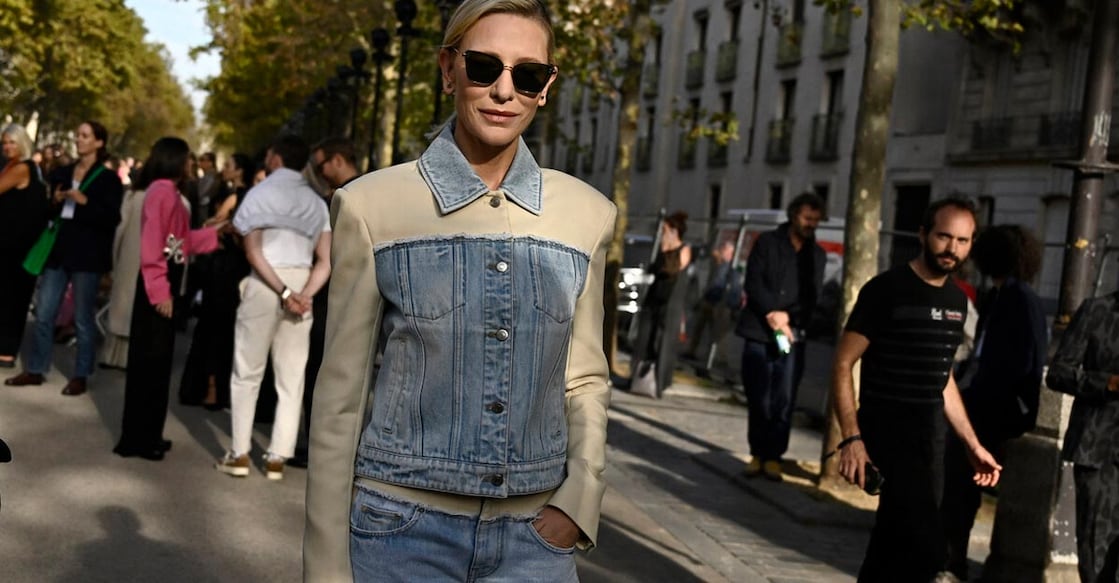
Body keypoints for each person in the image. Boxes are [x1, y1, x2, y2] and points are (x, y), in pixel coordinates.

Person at [304, 0, 616, 580]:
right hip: (398, 535)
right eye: (484, 66)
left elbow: (585, 379)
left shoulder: (587, 215)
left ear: (545, 88)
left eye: (527, 74)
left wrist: (580, 499)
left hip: (536, 544)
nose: (505, 91)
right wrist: (325, 567)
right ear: (448, 70)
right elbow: (340, 397)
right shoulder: (371, 206)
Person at [831, 197, 1002, 582]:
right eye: (944, 236)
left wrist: (972, 444)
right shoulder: (885, 290)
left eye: (962, 240)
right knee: (927, 548)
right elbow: (842, 363)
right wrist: (852, 439)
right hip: (887, 432)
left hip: (931, 440)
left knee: (891, 547)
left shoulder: (958, 302)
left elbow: (942, 377)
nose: (952, 248)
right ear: (923, 234)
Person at [213, 135, 331, 480]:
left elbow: (253, 252)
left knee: (247, 371)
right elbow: (326, 260)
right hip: (302, 281)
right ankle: (278, 455)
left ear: (276, 158)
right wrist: (304, 294)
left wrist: (283, 291)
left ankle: (239, 453)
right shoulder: (316, 202)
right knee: (291, 376)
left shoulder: (259, 194)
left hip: (265, 285)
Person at [941, 224, 1047, 580]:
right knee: (958, 485)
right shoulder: (997, 296)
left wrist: (1021, 410)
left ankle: (953, 560)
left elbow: (1028, 360)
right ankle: (950, 557)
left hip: (994, 407)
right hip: (980, 401)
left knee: (964, 484)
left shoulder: (1020, 299)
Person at [113, 137, 223, 461]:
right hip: (158, 285)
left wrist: (215, 234)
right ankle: (138, 439)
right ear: (174, 159)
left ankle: (149, 435)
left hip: (166, 281)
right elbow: (153, 246)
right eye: (188, 159)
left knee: (157, 366)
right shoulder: (161, 192)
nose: (191, 165)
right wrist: (161, 291)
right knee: (149, 364)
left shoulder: (170, 192)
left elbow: (180, 242)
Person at [5, 121, 123, 396]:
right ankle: (36, 368)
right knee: (44, 312)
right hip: (59, 251)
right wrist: (55, 201)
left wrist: (85, 203)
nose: (79, 140)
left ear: (99, 142)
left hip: (87, 256)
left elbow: (111, 218)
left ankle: (81, 374)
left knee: (82, 318)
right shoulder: (63, 172)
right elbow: (45, 212)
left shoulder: (108, 180)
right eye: (77, 135)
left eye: (85, 136)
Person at [735, 192, 825, 481]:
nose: (811, 224)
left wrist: (788, 317)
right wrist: (771, 313)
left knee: (784, 399)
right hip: (759, 332)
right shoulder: (767, 243)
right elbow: (753, 281)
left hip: (791, 334)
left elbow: (813, 296)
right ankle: (757, 453)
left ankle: (774, 456)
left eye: (816, 219)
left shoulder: (817, 255)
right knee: (758, 396)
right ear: (794, 215)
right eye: (807, 218)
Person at [286, 137, 361, 469]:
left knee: (321, 374)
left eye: (321, 165)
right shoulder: (362, 193)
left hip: (332, 299)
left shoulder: (345, 199)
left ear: (338, 160)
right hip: (342, 299)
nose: (318, 172)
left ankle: (320, 446)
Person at [1046, 292, 1119, 583]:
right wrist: (1108, 383)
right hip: (1098, 451)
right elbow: (1058, 373)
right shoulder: (1097, 310)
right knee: (1097, 557)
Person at [179, 153, 254, 410]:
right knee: (220, 329)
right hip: (228, 267)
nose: (225, 168)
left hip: (226, 269)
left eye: (230, 165)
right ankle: (215, 387)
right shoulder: (235, 195)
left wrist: (217, 225)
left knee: (215, 328)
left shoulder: (238, 196)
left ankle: (211, 387)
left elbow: (212, 223)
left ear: (240, 170)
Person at [0, 124, 49, 369]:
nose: (7, 146)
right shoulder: (28, 168)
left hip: (14, 247)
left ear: (22, 143)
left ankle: (6, 351)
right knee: (12, 297)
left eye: (12, 142)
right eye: (4, 142)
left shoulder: (21, 168)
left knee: (11, 298)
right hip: (18, 245)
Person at [630, 211, 691, 396]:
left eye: (665, 230)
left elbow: (672, 270)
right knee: (645, 336)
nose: (662, 234)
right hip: (655, 298)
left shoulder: (684, 250)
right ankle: (638, 376)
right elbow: (655, 269)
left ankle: (659, 381)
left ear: (674, 231)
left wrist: (667, 248)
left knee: (664, 340)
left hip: (671, 301)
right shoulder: (663, 249)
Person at [99, 170, 148, 369]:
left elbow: (120, 230)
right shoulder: (173, 198)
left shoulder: (133, 196)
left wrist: (113, 260)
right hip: (146, 260)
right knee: (133, 308)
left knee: (122, 305)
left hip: (128, 255)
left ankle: (111, 355)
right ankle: (128, 356)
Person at [683, 239, 740, 367]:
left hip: (719, 304)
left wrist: (728, 305)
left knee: (717, 333)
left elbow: (729, 288)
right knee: (699, 327)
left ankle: (717, 358)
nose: (721, 252)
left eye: (724, 250)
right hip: (708, 301)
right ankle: (692, 350)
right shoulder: (715, 265)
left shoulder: (731, 270)